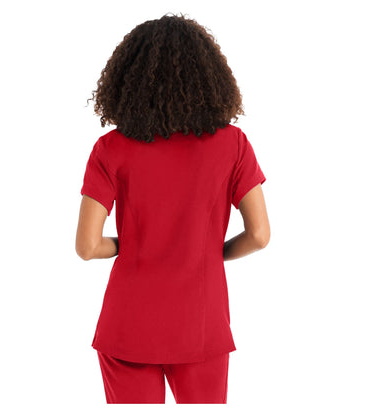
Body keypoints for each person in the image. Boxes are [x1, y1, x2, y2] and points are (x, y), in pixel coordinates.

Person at [75, 12, 270, 404]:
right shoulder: (233, 145)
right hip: (202, 325)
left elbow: (87, 246)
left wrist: (129, 244)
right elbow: (259, 235)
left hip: (127, 327)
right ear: (209, 76)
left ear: (127, 79)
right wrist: (208, 252)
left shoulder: (111, 149)